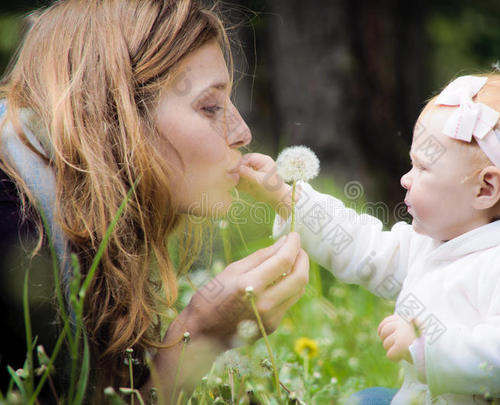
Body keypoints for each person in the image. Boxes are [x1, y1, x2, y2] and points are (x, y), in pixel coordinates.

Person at [0, 0, 309, 403]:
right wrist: (199, 334)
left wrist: (203, 335)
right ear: (119, 117)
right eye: (210, 106)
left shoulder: (73, 227)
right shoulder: (15, 230)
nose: (242, 132)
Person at [238, 73, 500, 404]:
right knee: (365, 400)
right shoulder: (438, 244)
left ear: (486, 188)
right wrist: (286, 198)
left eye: (423, 166)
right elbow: (364, 246)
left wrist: (427, 348)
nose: (406, 178)